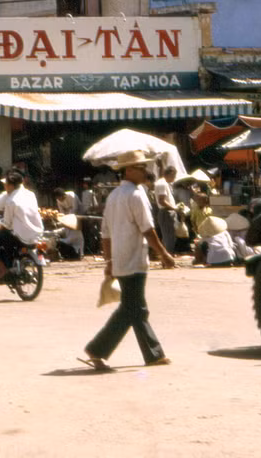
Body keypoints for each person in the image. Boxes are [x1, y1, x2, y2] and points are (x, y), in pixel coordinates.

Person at [81, 150, 175, 371]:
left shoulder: (114, 196)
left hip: (122, 259)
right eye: (141, 167)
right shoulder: (136, 194)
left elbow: (105, 233)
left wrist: (110, 260)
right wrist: (163, 253)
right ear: (129, 170)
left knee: (134, 308)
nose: (145, 171)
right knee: (133, 308)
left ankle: (153, 354)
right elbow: (148, 229)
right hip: (134, 259)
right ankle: (97, 348)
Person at [153, 166, 180, 254]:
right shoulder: (162, 184)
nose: (174, 178)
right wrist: (174, 208)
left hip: (167, 212)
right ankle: (168, 257)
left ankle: (167, 258)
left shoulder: (163, 183)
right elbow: (162, 201)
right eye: (174, 176)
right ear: (170, 174)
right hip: (166, 212)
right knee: (169, 237)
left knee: (168, 236)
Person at [53, 187, 84, 260]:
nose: (60, 200)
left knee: (60, 243)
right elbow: (62, 212)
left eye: (60, 198)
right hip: (68, 217)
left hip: (76, 215)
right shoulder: (58, 200)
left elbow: (75, 209)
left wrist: (58, 240)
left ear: (63, 195)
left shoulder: (71, 195)